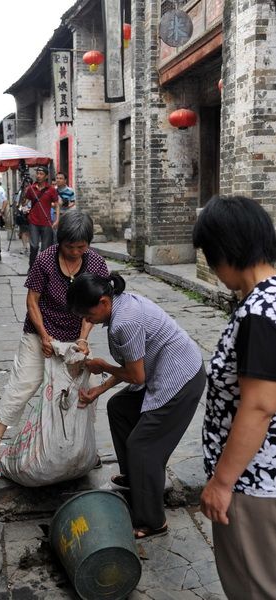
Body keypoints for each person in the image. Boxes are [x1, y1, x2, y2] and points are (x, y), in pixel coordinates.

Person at [67, 272, 206, 539]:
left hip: (181, 379)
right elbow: (132, 369)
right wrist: (99, 389)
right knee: (120, 407)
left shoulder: (124, 322)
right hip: (162, 371)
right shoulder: (121, 305)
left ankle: (153, 521)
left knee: (143, 446)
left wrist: (103, 368)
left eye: (87, 314)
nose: (86, 321)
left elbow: (136, 376)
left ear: (104, 302)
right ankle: (136, 478)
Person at [0, 210, 109, 480]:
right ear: (59, 241)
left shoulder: (96, 263)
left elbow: (95, 307)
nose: (75, 252)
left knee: (81, 392)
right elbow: (32, 301)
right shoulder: (45, 259)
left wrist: (83, 339)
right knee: (23, 383)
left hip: (76, 335)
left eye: (81, 247)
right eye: (70, 246)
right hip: (40, 332)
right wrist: (43, 336)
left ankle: (83, 446)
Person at [192, 195, 276, 600]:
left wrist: (222, 483)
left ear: (225, 251)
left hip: (253, 483)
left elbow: (259, 406)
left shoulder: (258, 313)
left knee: (253, 586)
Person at [23, 166, 59, 269]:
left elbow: (56, 204)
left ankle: (43, 269)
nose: (38, 176)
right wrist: (23, 194)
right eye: (37, 173)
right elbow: (24, 202)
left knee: (45, 248)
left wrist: (56, 220)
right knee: (34, 246)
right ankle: (32, 267)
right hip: (33, 221)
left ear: (46, 176)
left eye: (41, 174)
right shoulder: (31, 188)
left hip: (46, 222)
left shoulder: (51, 189)